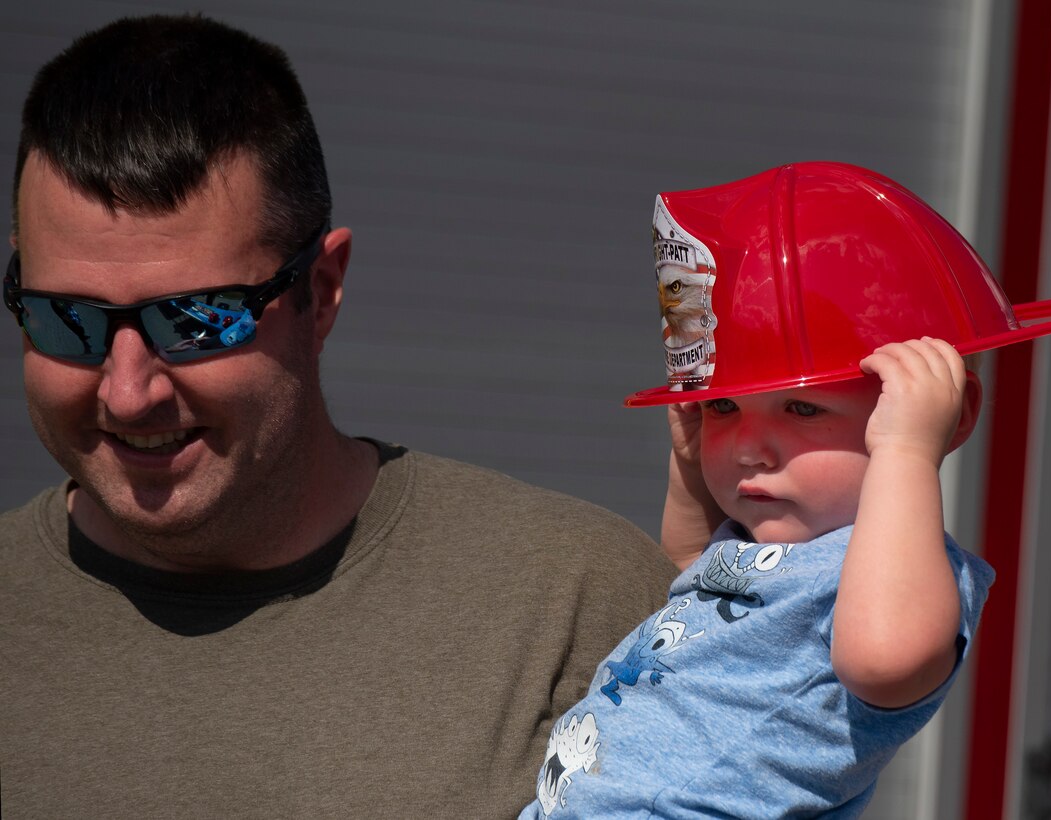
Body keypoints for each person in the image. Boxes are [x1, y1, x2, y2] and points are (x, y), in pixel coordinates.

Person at [0, 15, 677, 818]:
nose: (126, 390)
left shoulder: (574, 604)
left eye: (196, 320)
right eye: (66, 319)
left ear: (319, 292)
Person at [520, 162, 1051, 818]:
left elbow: (885, 664)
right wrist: (693, 473)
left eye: (802, 410)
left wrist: (906, 454)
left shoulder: (894, 572)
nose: (749, 446)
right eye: (724, 409)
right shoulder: (760, 539)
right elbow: (688, 582)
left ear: (944, 418)